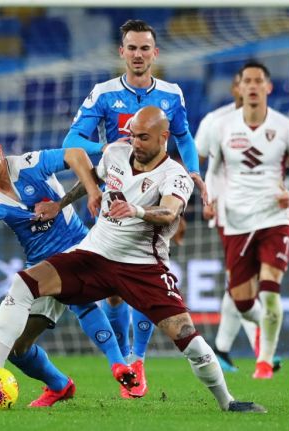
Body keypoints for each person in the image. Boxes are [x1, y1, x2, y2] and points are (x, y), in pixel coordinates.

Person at [0, 106, 266, 413]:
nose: (135, 142)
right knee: (24, 284)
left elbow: (169, 212)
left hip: (142, 267)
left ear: (164, 137)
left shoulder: (176, 175)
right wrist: (61, 203)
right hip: (94, 254)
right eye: (132, 135)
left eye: (143, 137)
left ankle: (227, 402)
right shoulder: (116, 152)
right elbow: (93, 176)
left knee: (186, 336)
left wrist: (137, 211)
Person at [0, 128, 138, 407]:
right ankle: (60, 386)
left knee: (80, 299)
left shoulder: (30, 164)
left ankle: (122, 365)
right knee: (17, 347)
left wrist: (93, 190)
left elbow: (75, 154)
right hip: (41, 268)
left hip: (78, 248)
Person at [62, 19, 206, 398]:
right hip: (116, 196)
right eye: (132, 48)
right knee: (112, 290)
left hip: (160, 192)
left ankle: (136, 359)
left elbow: (184, 136)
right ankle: (127, 356)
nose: (138, 54)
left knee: (145, 277)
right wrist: (114, 151)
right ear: (121, 52)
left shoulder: (172, 94)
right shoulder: (104, 94)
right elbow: (73, 140)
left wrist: (191, 172)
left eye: (145, 48)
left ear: (154, 53)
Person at [196, 72, 289, 373]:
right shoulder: (216, 123)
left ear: (266, 86)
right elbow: (201, 159)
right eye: (246, 82)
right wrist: (208, 197)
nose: (251, 87)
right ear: (237, 87)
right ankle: (253, 335)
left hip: (271, 214)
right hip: (231, 214)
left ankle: (249, 350)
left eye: (258, 82)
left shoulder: (281, 126)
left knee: (262, 289)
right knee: (239, 289)